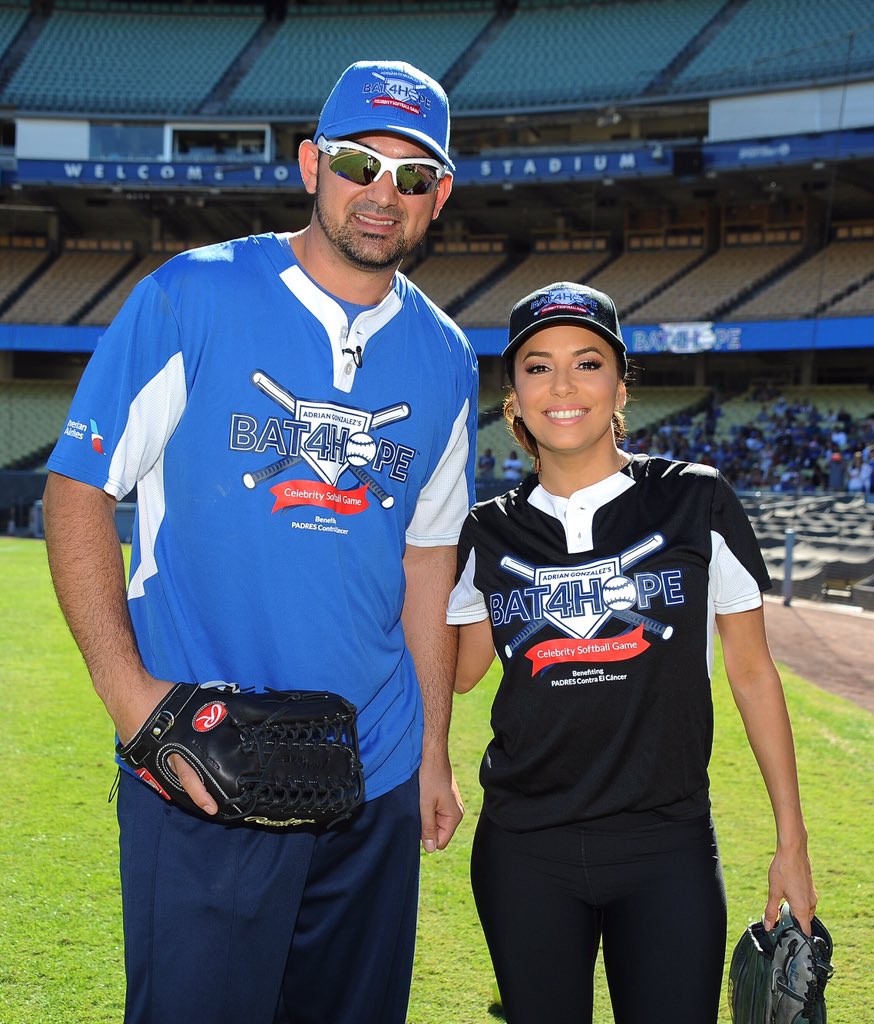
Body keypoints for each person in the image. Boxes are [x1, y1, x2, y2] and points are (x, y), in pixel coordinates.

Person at [42, 60, 478, 1024]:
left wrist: (434, 756)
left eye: (412, 177)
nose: (382, 194)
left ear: (437, 198)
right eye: (361, 163)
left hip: (377, 771)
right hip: (202, 763)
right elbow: (77, 489)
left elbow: (427, 558)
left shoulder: (447, 356)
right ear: (311, 162)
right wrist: (134, 707)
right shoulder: (191, 295)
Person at [447, 282, 817, 1024]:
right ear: (512, 399)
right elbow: (458, 674)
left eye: (587, 363)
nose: (562, 386)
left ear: (620, 384)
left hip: (666, 846)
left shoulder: (694, 499)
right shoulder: (486, 532)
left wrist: (792, 840)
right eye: (537, 366)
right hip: (524, 849)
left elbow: (749, 671)